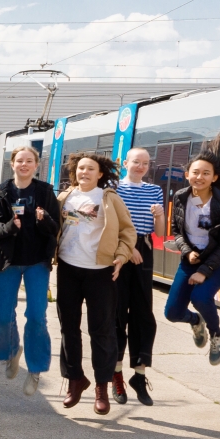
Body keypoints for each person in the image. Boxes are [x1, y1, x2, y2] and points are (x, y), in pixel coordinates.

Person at [55, 154, 137, 415]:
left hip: (100, 272)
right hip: (68, 268)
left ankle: (101, 387)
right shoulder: (65, 198)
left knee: (101, 331)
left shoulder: (109, 198)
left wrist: (122, 257)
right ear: (74, 171)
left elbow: (128, 231)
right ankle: (75, 379)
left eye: (91, 169)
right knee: (69, 328)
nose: (84, 172)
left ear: (100, 173)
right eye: (80, 168)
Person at [0, 145, 61, 395]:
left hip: (37, 262)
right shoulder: (1, 192)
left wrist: (45, 221)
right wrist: (11, 226)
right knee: (3, 314)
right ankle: (11, 352)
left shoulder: (44, 191)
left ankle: (36, 369)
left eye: (29, 161)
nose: (24, 164)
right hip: (10, 261)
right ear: (12, 164)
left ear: (36, 165)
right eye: (19, 160)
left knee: (36, 316)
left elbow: (55, 227)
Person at [163, 152, 220, 366]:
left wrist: (204, 270)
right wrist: (187, 251)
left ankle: (216, 335)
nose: (200, 177)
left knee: (200, 297)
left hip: (218, 261)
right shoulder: (180, 197)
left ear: (214, 178)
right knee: (172, 313)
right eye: (195, 172)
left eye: (206, 173)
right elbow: (177, 231)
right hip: (191, 259)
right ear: (187, 175)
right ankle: (196, 320)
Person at [112, 147, 166, 406]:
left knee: (144, 313)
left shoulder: (154, 190)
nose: (141, 167)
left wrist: (160, 215)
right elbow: (110, 223)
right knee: (118, 313)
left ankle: (140, 373)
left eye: (145, 163)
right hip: (119, 249)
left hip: (143, 249)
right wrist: (128, 248)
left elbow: (160, 232)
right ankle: (116, 373)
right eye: (136, 162)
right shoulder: (114, 188)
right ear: (125, 163)